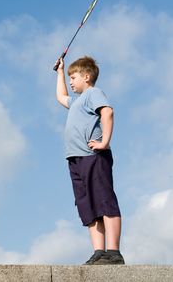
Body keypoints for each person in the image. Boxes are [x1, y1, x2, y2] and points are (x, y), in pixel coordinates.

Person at [55, 55, 124, 265]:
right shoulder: (77, 101)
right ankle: (99, 252)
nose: (71, 82)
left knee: (104, 201)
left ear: (86, 77)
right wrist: (60, 72)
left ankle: (113, 252)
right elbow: (61, 97)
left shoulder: (93, 93)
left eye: (73, 78)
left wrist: (104, 142)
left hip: (93, 156)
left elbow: (108, 112)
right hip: (75, 160)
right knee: (87, 206)